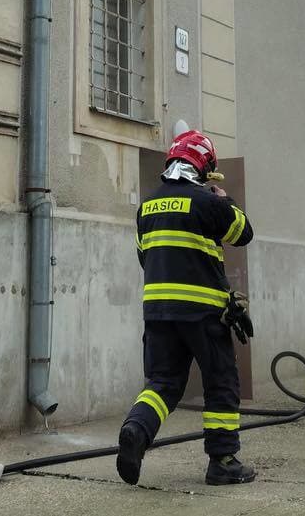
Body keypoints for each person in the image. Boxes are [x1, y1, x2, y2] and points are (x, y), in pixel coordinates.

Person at [116, 128, 256, 487]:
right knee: (220, 380)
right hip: (204, 313)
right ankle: (223, 461)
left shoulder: (147, 206)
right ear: (204, 165)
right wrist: (226, 201)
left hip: (158, 312)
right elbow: (243, 233)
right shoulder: (207, 202)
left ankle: (136, 430)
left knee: (162, 383)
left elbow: (142, 255)